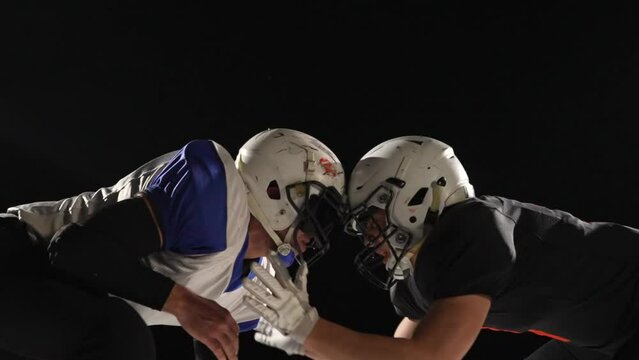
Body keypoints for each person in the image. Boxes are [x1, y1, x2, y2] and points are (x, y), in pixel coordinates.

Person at [243, 135, 639, 360]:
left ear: (417, 196)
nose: (367, 236)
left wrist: (311, 330)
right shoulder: (417, 279)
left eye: (372, 218)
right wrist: (312, 346)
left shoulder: (474, 226)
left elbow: (433, 357)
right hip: (598, 339)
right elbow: (399, 355)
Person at [0, 128, 346, 360]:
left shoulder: (261, 281)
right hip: (18, 254)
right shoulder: (216, 198)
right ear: (273, 187)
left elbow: (212, 339)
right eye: (316, 211)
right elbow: (73, 249)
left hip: (52, 304)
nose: (315, 233)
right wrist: (181, 302)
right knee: (123, 335)